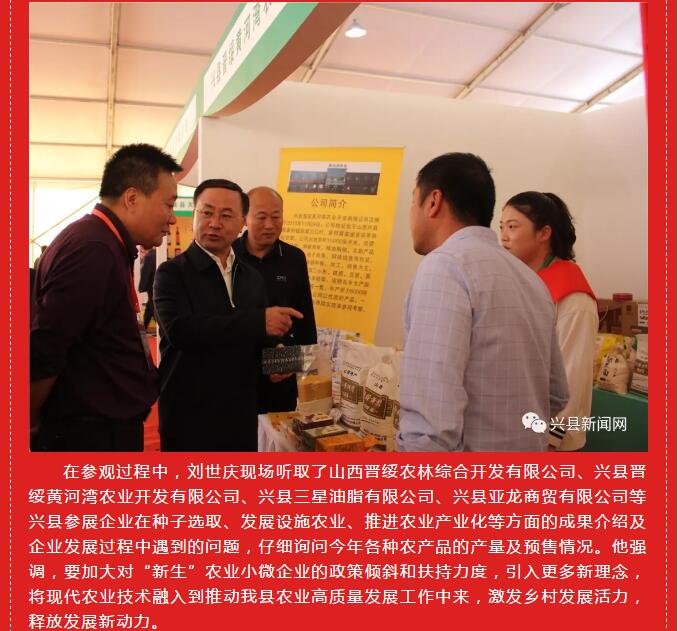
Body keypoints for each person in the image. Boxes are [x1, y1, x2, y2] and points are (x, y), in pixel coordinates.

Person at [396, 153, 569, 452]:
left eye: (413, 201)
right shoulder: (531, 280)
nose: (411, 214)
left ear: (433, 201)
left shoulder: (445, 267)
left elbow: (429, 429)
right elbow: (555, 396)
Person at [30, 143, 182, 451]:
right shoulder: (92, 249)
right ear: (132, 198)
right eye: (168, 205)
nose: (172, 219)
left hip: (102, 427)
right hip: (88, 436)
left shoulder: (103, 241)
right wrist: (30, 420)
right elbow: (47, 347)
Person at [153, 179, 303, 451]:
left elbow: (258, 338)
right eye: (207, 212)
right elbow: (181, 331)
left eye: (225, 215)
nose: (214, 223)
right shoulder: (172, 273)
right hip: (189, 415)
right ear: (195, 215)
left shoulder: (251, 277)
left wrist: (277, 356)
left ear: (242, 221)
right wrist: (259, 322)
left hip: (240, 413)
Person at [500, 191, 598, 451]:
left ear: (543, 233)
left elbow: (571, 381)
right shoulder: (520, 284)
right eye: (501, 227)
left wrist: (549, 443)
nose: (504, 236)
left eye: (512, 227)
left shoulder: (573, 299)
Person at [233, 186, 317, 412]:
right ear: (245, 219)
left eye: (276, 216)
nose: (269, 225)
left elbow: (304, 320)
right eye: (261, 217)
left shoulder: (294, 258)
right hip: (237, 368)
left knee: (278, 429)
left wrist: (302, 369)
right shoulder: (228, 254)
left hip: (280, 367)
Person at [138, 247, 157, 331]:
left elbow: (146, 272)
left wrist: (142, 287)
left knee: (153, 308)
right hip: (155, 284)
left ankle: (162, 329)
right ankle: (144, 327)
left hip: (151, 286)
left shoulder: (150, 256)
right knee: (150, 307)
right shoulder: (156, 255)